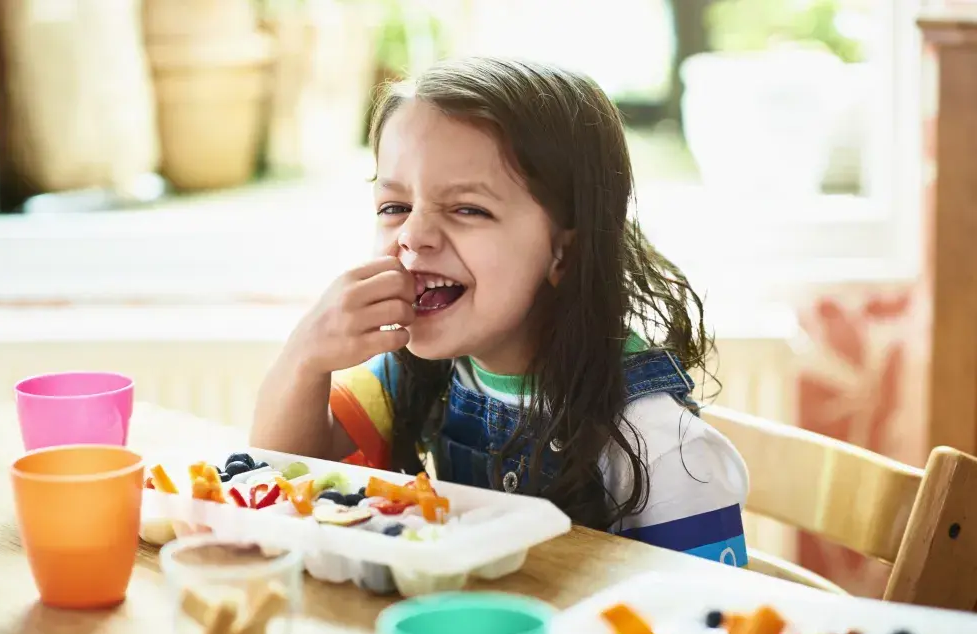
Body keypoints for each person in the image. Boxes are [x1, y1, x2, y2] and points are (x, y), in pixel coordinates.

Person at [251, 56, 750, 567]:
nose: (412, 237)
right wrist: (304, 358)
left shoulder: (661, 449)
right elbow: (284, 481)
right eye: (394, 207)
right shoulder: (419, 371)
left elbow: (710, 628)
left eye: (469, 209)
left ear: (565, 253)